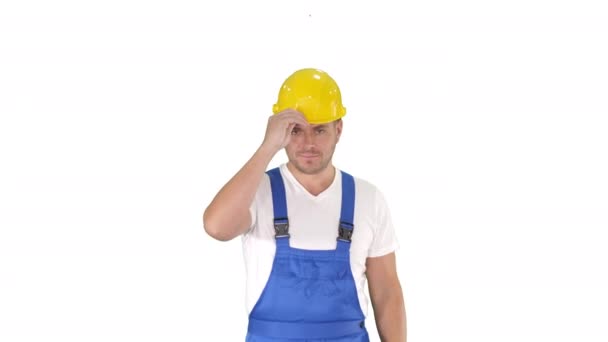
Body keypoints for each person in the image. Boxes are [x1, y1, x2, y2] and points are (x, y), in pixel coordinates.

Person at [203, 68, 407, 341]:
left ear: (338, 129)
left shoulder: (368, 199)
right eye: (296, 130)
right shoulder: (256, 191)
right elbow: (216, 227)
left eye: (319, 130)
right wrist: (267, 147)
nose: (308, 143)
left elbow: (387, 293)